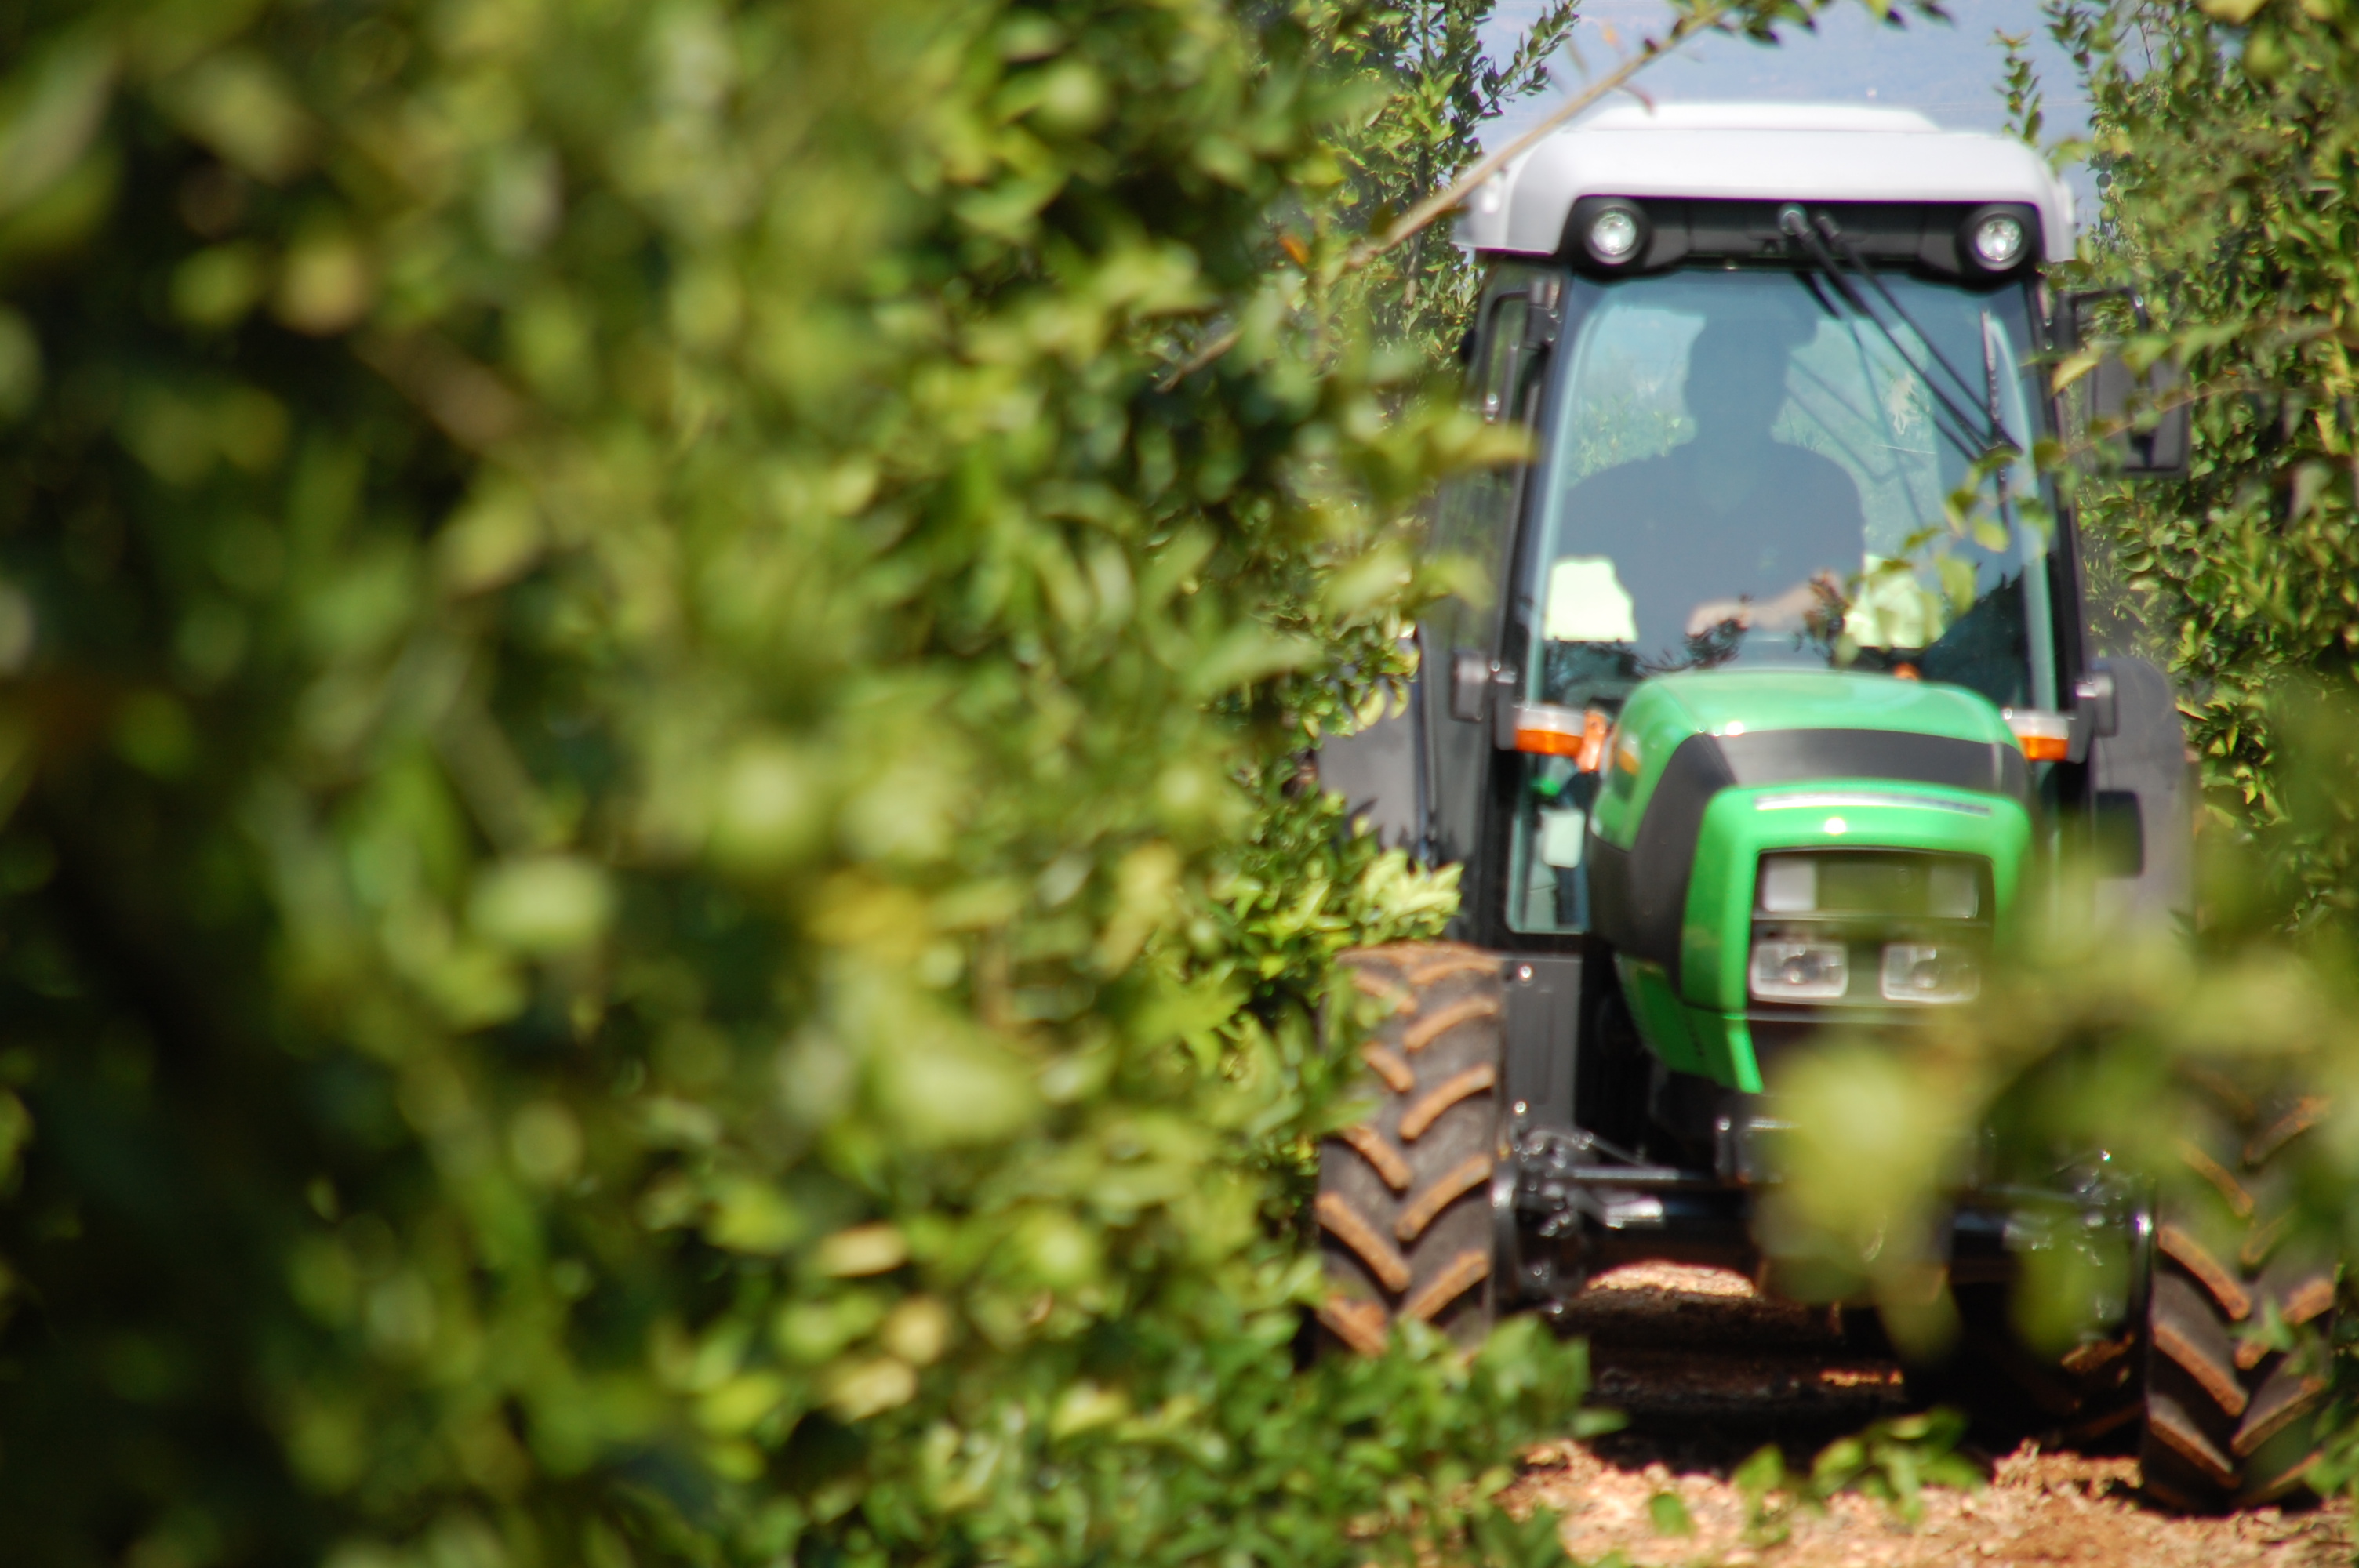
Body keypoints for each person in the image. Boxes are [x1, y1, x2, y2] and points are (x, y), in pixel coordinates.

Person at [1550, 314, 1866, 665]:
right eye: (1718, 390)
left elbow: (1835, 587)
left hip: (1792, 699)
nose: (1731, 408)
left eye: (1746, 391)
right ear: (1691, 395)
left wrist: (1756, 616)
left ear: (1777, 400)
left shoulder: (1818, 487)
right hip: (1656, 691)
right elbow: (1526, 538)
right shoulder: (1636, 491)